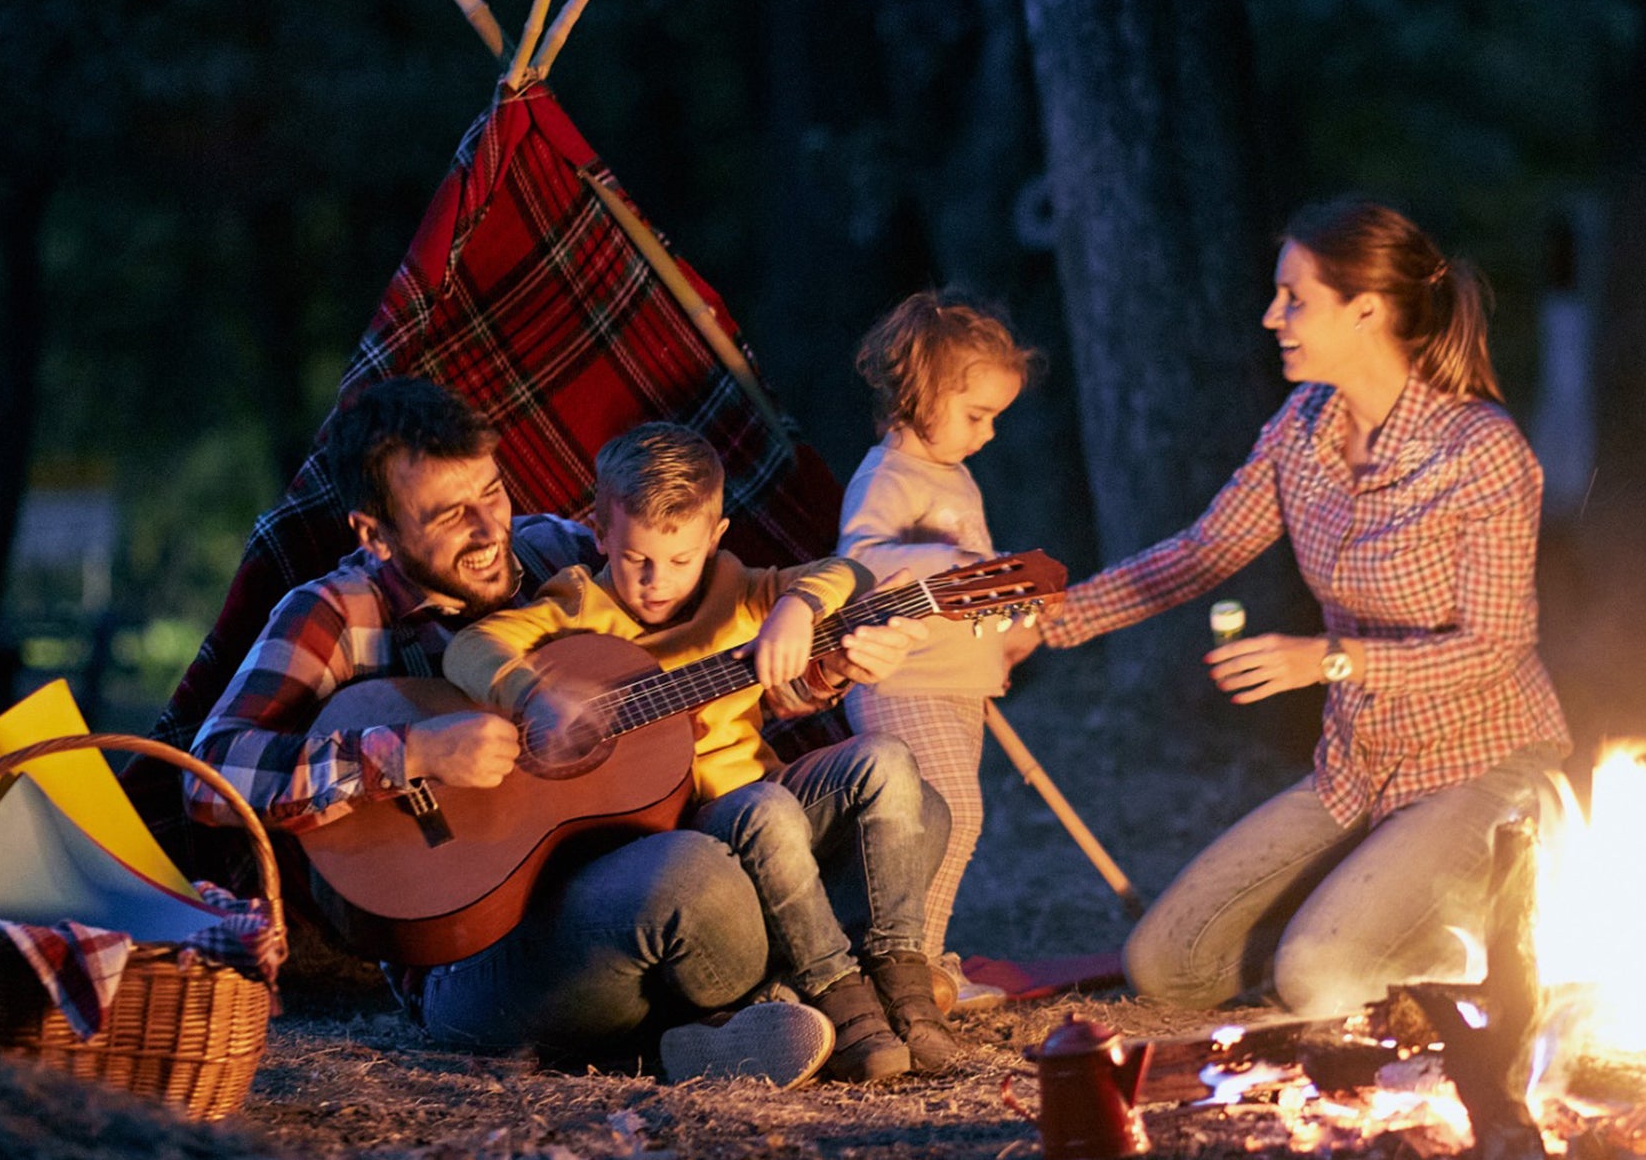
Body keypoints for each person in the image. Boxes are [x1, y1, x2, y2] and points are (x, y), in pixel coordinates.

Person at [184, 378, 920, 1088]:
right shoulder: (335, 614)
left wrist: (823, 667)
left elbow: (697, 686)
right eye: (448, 514)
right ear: (375, 533)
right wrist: (414, 752)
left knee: (889, 805)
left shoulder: (561, 551)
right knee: (695, 878)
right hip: (481, 953)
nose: (487, 530)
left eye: (491, 492)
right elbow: (210, 774)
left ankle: (724, 1022)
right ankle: (751, 1008)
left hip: (640, 854)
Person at [1030, 199, 1574, 1019]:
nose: (1270, 316)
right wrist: (1045, 622)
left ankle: (1486, 936)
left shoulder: (1477, 449)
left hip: (1482, 765)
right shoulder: (1303, 426)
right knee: (1166, 964)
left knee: (1317, 977)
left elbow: (1493, 646)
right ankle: (1364, 911)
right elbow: (1203, 549)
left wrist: (1326, 658)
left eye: (1294, 298)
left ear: (1365, 310)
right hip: (1356, 768)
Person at [445, 422, 960, 1081]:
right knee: (768, 808)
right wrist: (534, 693)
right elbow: (469, 647)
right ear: (599, 531)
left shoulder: (740, 591)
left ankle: (902, 979)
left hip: (768, 811)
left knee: (887, 760)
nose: (657, 580)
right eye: (636, 558)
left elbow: (849, 571)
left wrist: (797, 609)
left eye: (681, 559)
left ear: (715, 537)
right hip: (693, 834)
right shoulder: (574, 607)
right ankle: (837, 992)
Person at [833, 291, 1042, 1012]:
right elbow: (860, 563)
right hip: (903, 681)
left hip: (953, 684)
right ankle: (908, 965)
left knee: (945, 820)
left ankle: (917, 961)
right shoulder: (886, 477)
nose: (988, 432)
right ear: (920, 392)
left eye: (995, 417)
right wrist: (948, 564)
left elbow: (966, 586)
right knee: (948, 814)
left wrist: (1006, 627)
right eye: (976, 414)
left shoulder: (950, 474)